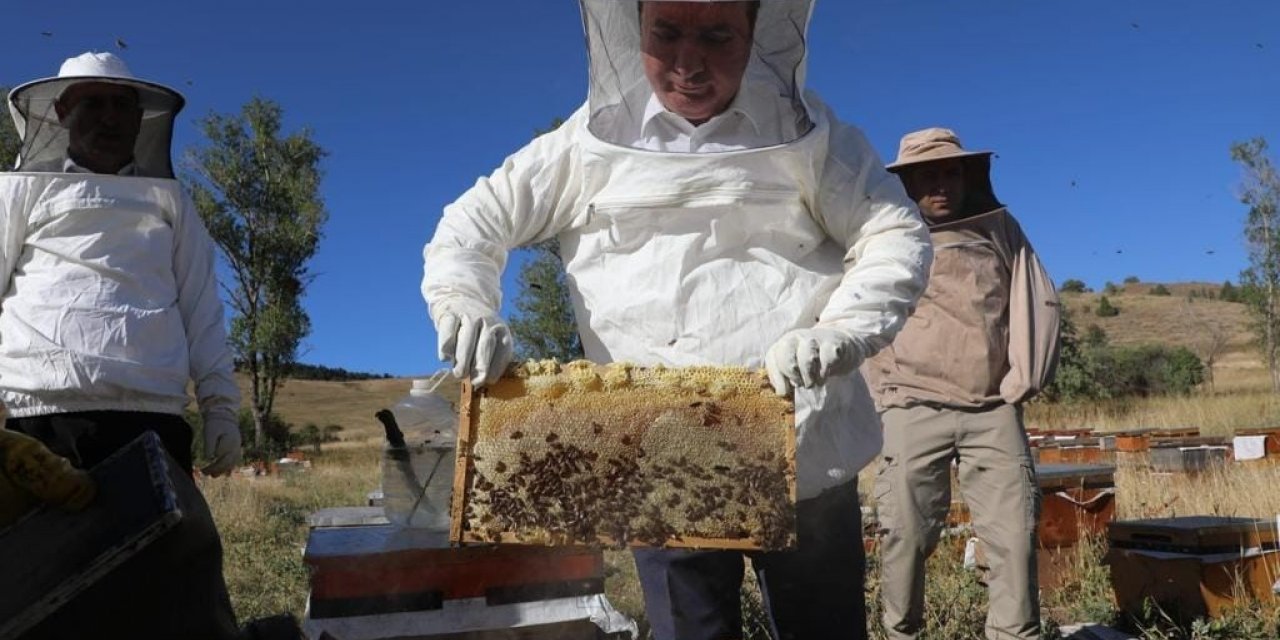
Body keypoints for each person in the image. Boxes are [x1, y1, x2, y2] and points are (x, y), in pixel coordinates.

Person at [423, 2, 932, 638]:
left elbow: (893, 233)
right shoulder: (583, 146)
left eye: (717, 35)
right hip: (657, 459)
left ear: (755, 34)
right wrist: (465, 304)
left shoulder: (814, 137)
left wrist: (844, 330)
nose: (688, 64)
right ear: (634, 31)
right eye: (666, 34)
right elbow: (470, 227)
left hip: (807, 442)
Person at [1, 52, 247, 640]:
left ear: (141, 121)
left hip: (151, 421)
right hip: (40, 423)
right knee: (42, 603)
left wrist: (221, 406)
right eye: (93, 103)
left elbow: (202, 308)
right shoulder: (19, 191)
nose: (109, 117)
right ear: (61, 112)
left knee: (171, 597)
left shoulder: (171, 202)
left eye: (122, 105)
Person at [865, 127, 1061, 640]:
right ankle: (900, 634)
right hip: (911, 407)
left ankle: (1014, 635)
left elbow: (1037, 296)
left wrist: (1024, 377)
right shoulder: (881, 235)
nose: (941, 184)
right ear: (906, 182)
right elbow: (854, 308)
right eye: (927, 175)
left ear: (967, 175)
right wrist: (877, 389)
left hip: (992, 408)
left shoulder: (999, 228)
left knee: (1013, 537)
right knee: (904, 534)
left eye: (950, 172)